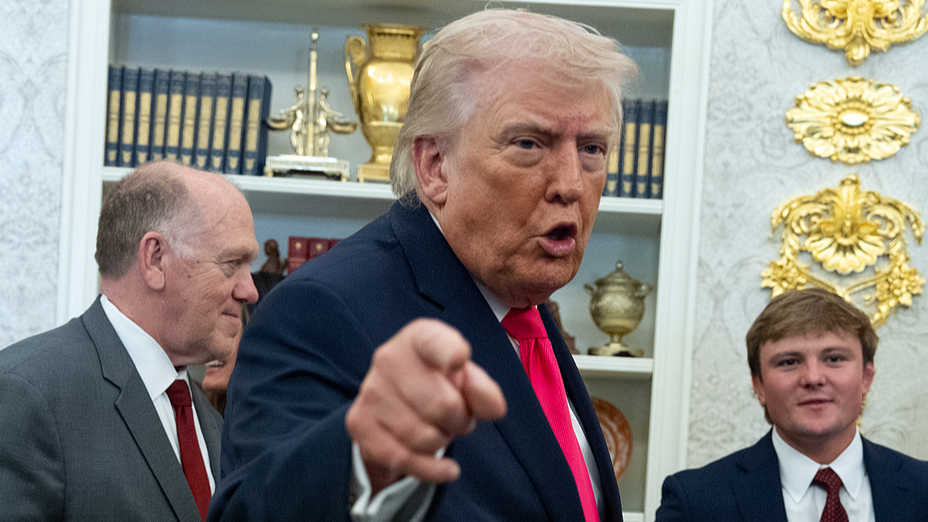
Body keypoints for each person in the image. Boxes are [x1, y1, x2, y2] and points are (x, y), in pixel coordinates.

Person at [209, 8, 637, 522]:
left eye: (592, 149)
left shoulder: (526, 310)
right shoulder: (319, 310)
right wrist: (359, 463)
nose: (570, 183)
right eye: (528, 143)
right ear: (434, 166)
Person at [0, 161, 259, 521]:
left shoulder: (210, 421)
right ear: (154, 259)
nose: (250, 291)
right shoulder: (28, 395)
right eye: (232, 263)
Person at [655, 288, 928, 522]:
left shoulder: (923, 489)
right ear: (758, 385)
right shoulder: (696, 501)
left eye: (833, 358)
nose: (813, 378)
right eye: (789, 362)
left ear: (866, 377)